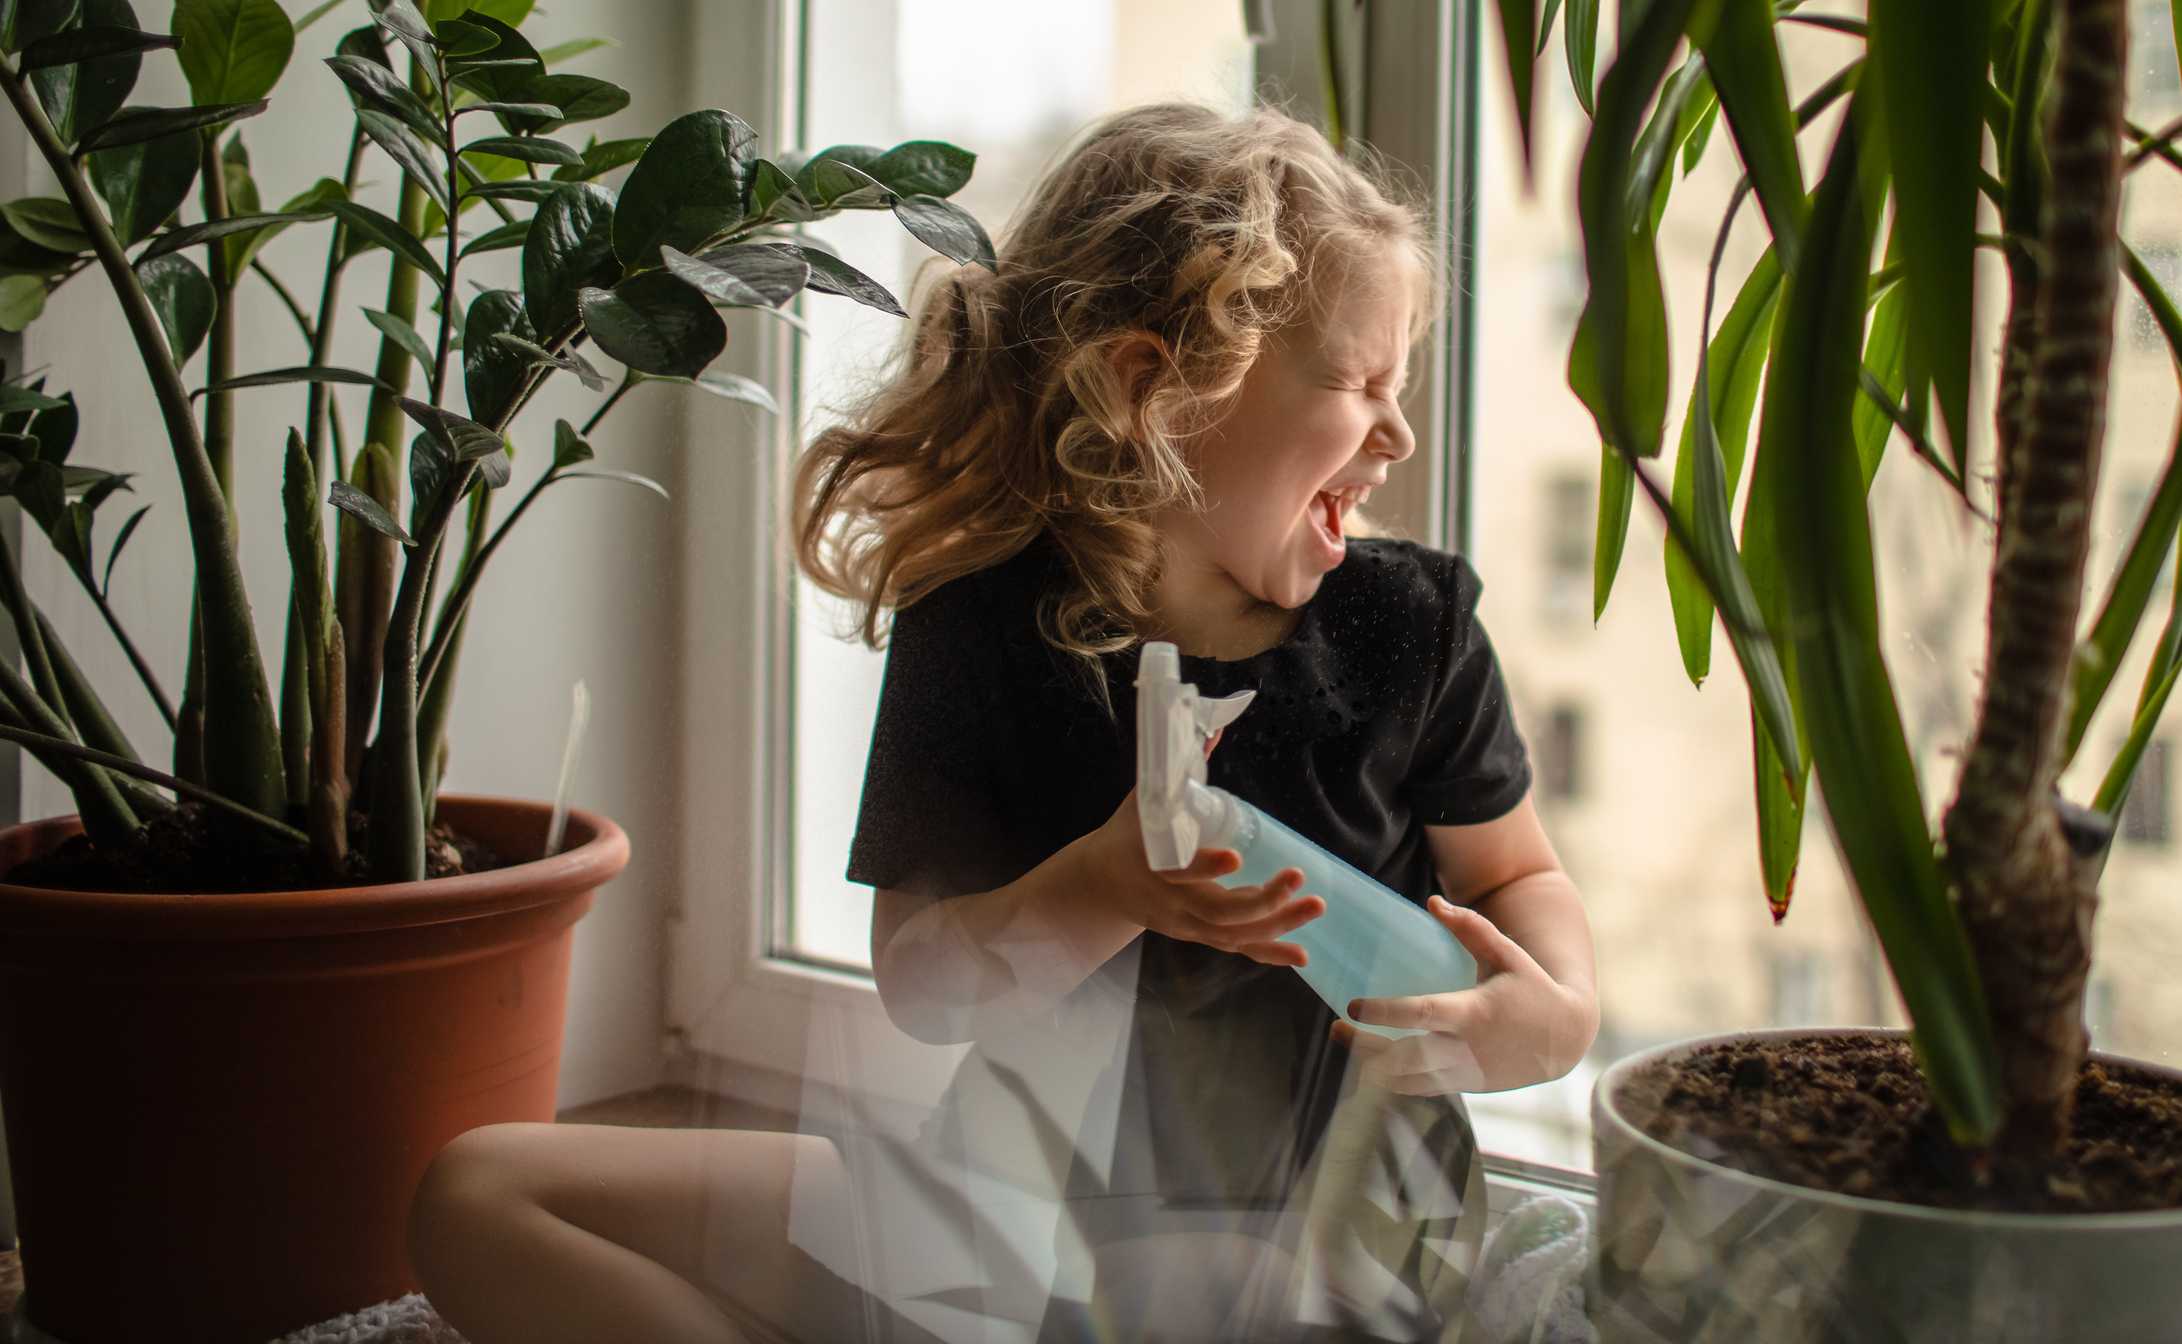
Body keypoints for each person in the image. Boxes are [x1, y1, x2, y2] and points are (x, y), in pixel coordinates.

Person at [408, 105, 1599, 1344]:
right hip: (1011, 1215)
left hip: (1328, 1247)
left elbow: (1517, 875)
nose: (1396, 432)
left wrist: (1551, 1014)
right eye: (1357, 384)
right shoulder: (977, 621)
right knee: (482, 1193)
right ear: (1156, 390)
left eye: (1396, 387)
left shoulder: (1410, 626)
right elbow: (925, 985)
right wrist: (1103, 887)